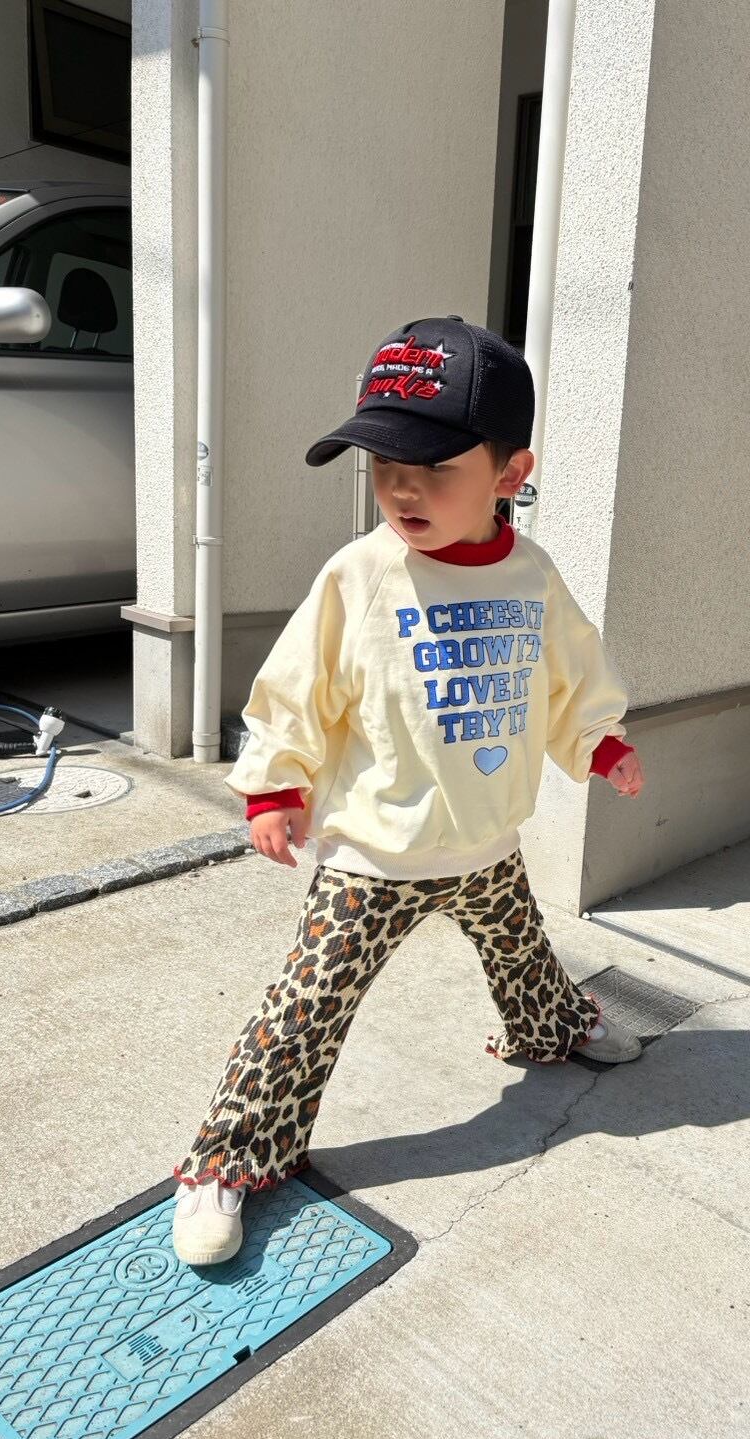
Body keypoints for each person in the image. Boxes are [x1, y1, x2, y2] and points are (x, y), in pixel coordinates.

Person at [171, 316, 646, 1266]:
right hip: (373, 856)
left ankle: (551, 1025)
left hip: (486, 842)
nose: (402, 488)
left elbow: (568, 672)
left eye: (434, 466)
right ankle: (231, 1153)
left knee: (522, 954)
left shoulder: (532, 575)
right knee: (306, 1009)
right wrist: (274, 785)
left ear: (511, 473)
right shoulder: (362, 573)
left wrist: (600, 743)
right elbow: (299, 685)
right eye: (384, 463)